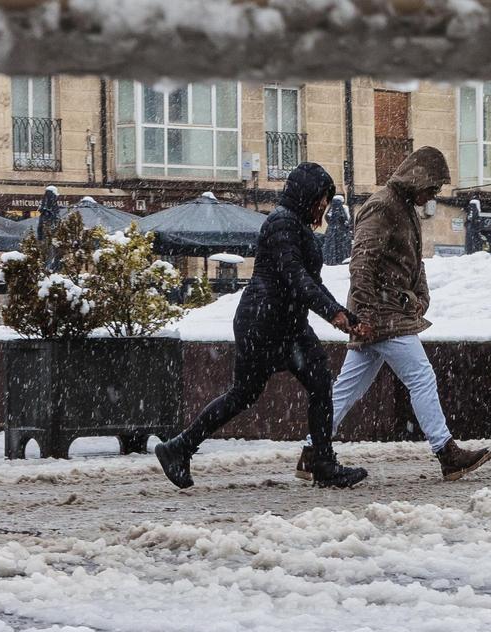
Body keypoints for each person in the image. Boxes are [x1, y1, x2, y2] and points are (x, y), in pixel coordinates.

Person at [156, 163, 372, 490]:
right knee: (259, 391)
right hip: (266, 321)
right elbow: (296, 278)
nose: (324, 208)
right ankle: (321, 463)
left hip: (283, 320)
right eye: (322, 200)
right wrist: (334, 315)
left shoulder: (294, 223)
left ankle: (180, 447)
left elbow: (311, 281)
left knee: (311, 384)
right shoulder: (282, 223)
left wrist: (343, 314)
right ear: (308, 195)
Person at [295, 147, 491, 482]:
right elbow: (362, 263)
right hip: (383, 315)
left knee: (347, 388)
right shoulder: (383, 206)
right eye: (432, 188)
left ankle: (311, 452)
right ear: (417, 179)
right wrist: (367, 315)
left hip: (382, 313)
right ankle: (447, 453)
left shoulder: (402, 207)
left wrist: (421, 296)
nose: (434, 196)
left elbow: (414, 261)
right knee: (421, 378)